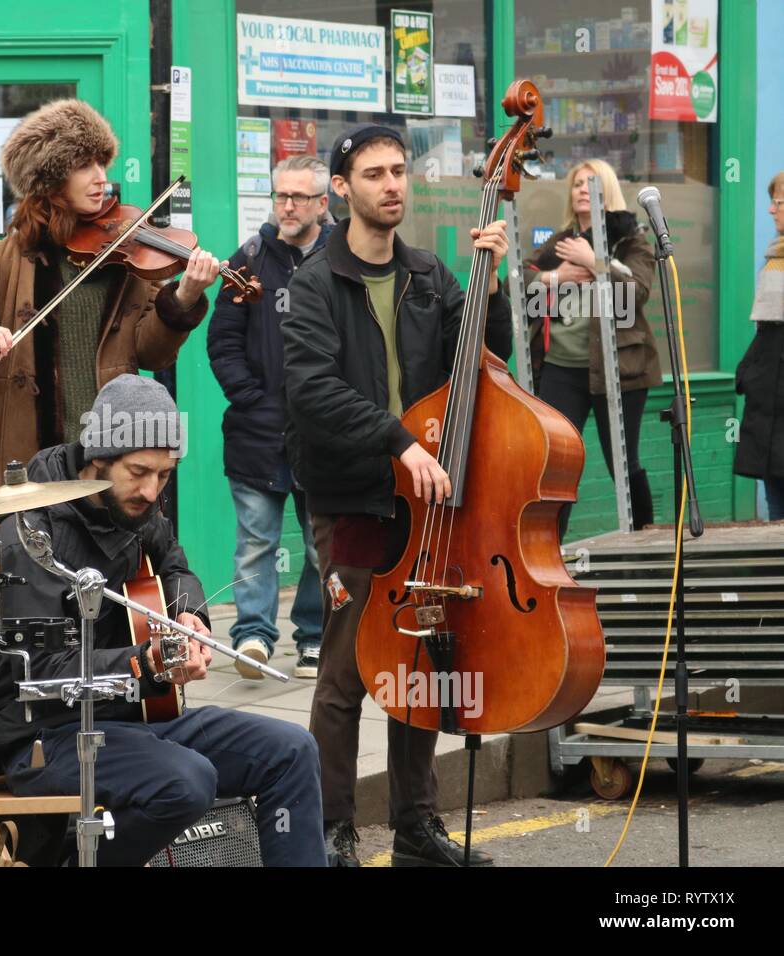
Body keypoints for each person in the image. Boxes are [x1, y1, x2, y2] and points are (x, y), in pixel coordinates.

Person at [0, 374, 325, 866]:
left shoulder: (137, 513)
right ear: (98, 457)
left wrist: (188, 616)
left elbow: (176, 567)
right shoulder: (31, 537)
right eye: (139, 471)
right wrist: (145, 662)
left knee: (292, 749)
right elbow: (41, 672)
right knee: (186, 781)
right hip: (46, 737)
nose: (151, 489)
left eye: (164, 474)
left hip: (131, 722)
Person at [282, 124, 511, 867]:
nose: (393, 185)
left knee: (420, 660)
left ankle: (417, 825)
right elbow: (312, 389)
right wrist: (399, 440)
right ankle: (333, 829)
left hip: (429, 500)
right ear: (341, 189)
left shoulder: (431, 275)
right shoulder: (315, 282)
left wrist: (491, 285)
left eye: (400, 171)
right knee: (345, 671)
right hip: (353, 497)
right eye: (374, 173)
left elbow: (479, 365)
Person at [0, 99, 220, 560]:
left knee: (115, 599)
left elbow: (152, 355)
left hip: (110, 467)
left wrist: (185, 298)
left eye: (102, 163)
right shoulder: (0, 261)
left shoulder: (127, 258)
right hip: (31, 470)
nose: (101, 178)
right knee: (27, 598)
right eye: (83, 165)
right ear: (49, 183)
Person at [208, 155, 331, 680]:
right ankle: (253, 636)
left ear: (323, 204)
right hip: (257, 430)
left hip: (325, 432)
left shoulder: (344, 258)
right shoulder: (251, 258)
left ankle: (313, 637)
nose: (286, 205)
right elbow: (223, 339)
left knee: (320, 546)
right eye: (280, 195)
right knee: (256, 541)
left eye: (298, 197)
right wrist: (249, 397)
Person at [528, 159, 662, 537]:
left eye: (592, 183)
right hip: (559, 368)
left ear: (608, 189)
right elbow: (524, 294)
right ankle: (549, 553)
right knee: (554, 464)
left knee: (623, 461)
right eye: (576, 185)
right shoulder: (560, 242)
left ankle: (645, 543)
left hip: (618, 368)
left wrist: (596, 263)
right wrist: (557, 276)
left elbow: (635, 294)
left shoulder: (631, 239)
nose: (582, 190)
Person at [733, 171, 784, 519]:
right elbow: (767, 331)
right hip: (770, 406)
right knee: (776, 511)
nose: (770, 210)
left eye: (778, 202)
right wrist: (748, 372)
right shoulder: (776, 256)